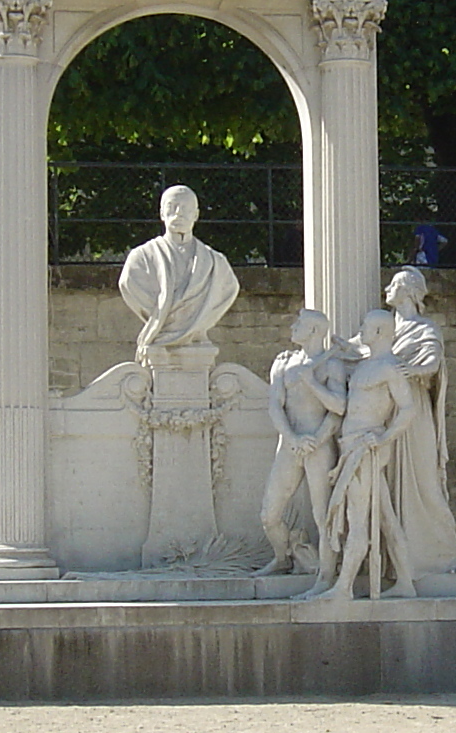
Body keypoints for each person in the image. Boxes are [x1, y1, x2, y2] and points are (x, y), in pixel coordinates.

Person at [308, 309, 419, 601]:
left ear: (381, 332)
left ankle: (343, 588)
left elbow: (408, 408)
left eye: (366, 326)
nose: (361, 330)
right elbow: (350, 349)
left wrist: (384, 437)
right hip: (352, 446)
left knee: (356, 518)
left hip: (365, 449)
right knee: (386, 518)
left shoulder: (389, 368)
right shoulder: (366, 364)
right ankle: (406, 582)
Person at [380, 267, 456, 585]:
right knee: (390, 488)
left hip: (414, 413)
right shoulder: (384, 328)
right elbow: (358, 349)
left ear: (407, 292)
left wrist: (409, 369)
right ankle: (401, 566)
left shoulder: (423, 328)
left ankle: (444, 560)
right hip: (387, 412)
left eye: (393, 285)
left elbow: (433, 362)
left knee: (425, 485)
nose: (386, 289)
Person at [254, 309, 347, 577]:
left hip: (319, 445)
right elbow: (275, 406)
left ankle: (327, 574)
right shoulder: (283, 363)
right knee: (269, 515)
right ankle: (283, 557)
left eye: (300, 323)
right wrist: (293, 438)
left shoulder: (332, 365)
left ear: (315, 331)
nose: (293, 326)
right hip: (291, 444)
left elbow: (338, 407)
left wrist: (317, 438)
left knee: (323, 514)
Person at [117, 184, 240, 360]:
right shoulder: (141, 259)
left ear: (196, 215)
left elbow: (230, 290)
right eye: (172, 206)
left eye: (186, 208)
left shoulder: (217, 264)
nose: (178, 212)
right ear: (161, 213)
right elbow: (127, 284)